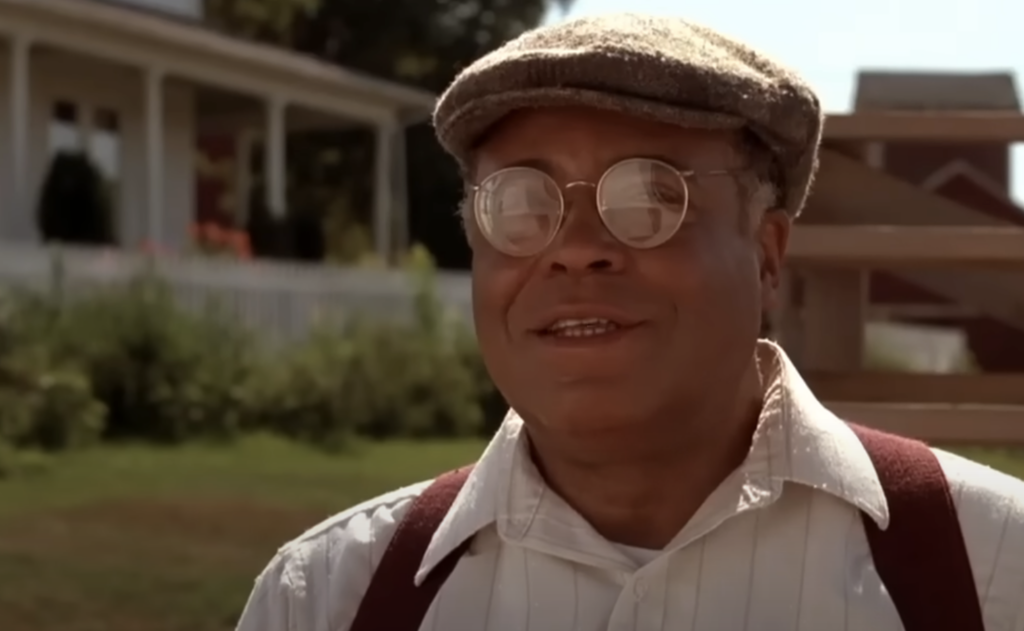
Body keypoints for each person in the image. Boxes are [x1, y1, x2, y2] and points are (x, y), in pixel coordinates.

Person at [236, 13, 1024, 631]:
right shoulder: (327, 598)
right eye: (519, 202)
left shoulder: (991, 570)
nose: (576, 250)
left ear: (767, 254)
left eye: (649, 197)